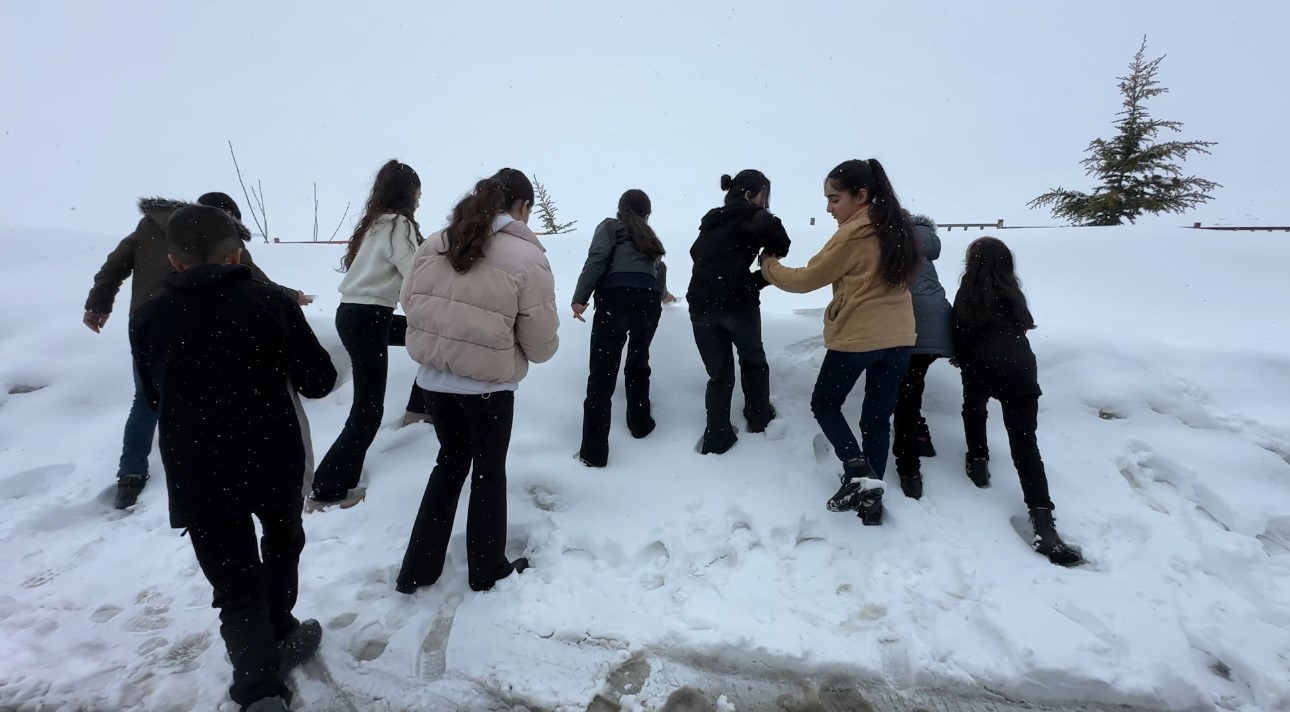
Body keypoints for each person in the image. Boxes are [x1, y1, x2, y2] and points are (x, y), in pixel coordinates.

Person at [129, 205, 338, 712]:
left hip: (198, 470)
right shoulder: (269, 303)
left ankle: (264, 667)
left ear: (175, 262)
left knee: (235, 585)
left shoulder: (149, 318)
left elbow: (152, 398)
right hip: (272, 459)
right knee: (283, 546)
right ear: (237, 252)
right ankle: (274, 649)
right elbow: (319, 380)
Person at [84, 193, 309, 510]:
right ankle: (218, 466)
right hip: (205, 320)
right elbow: (254, 277)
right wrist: (291, 297)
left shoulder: (151, 226)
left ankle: (132, 474)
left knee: (149, 399)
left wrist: (98, 303)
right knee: (216, 392)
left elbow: (115, 265)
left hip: (150, 324)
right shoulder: (219, 236)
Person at [396, 168, 559, 593]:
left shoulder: (436, 241)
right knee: (489, 472)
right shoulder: (526, 258)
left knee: (449, 465)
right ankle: (487, 569)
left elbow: (410, 301)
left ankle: (418, 568)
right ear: (522, 206)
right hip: (487, 389)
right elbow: (539, 340)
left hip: (434, 382)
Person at [760, 159, 920, 526]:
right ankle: (871, 501)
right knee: (877, 420)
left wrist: (768, 265)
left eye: (835, 199)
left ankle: (856, 469)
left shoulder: (856, 233)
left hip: (858, 337)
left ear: (861, 196)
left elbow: (805, 279)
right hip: (899, 340)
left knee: (825, 403)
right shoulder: (897, 228)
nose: (829, 208)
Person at [307, 160, 435, 512]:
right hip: (368, 317)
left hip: (354, 313)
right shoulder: (399, 225)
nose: (420, 202)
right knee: (368, 409)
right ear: (407, 195)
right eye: (418, 195)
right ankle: (328, 488)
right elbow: (414, 272)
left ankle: (418, 409)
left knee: (426, 336)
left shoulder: (374, 224)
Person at [952, 236, 1083, 566]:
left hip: (980, 366)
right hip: (1020, 369)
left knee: (974, 409)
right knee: (1025, 445)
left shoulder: (967, 291)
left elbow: (959, 332)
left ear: (972, 262)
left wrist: (963, 357)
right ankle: (1043, 522)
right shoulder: (1013, 292)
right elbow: (1024, 324)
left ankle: (978, 462)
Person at [686, 170, 791, 454]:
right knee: (753, 359)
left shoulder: (712, 220)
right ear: (751, 193)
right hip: (736, 303)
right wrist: (757, 275)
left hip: (700, 303)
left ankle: (717, 435)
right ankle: (758, 417)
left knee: (719, 373)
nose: (765, 202)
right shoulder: (752, 215)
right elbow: (782, 243)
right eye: (763, 196)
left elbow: (695, 254)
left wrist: (742, 277)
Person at [571, 189, 669, 467]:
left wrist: (580, 298)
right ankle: (640, 425)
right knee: (638, 363)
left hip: (615, 300)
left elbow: (597, 260)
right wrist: (662, 294)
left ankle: (594, 452)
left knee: (601, 375)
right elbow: (658, 270)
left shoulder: (610, 226)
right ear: (647, 214)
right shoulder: (649, 236)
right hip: (647, 301)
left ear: (621, 208)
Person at [890, 211, 954, 500]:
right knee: (912, 384)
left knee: (904, 394)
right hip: (938, 323)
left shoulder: (892, 238)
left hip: (909, 325)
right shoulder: (924, 243)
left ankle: (909, 469)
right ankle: (919, 435)